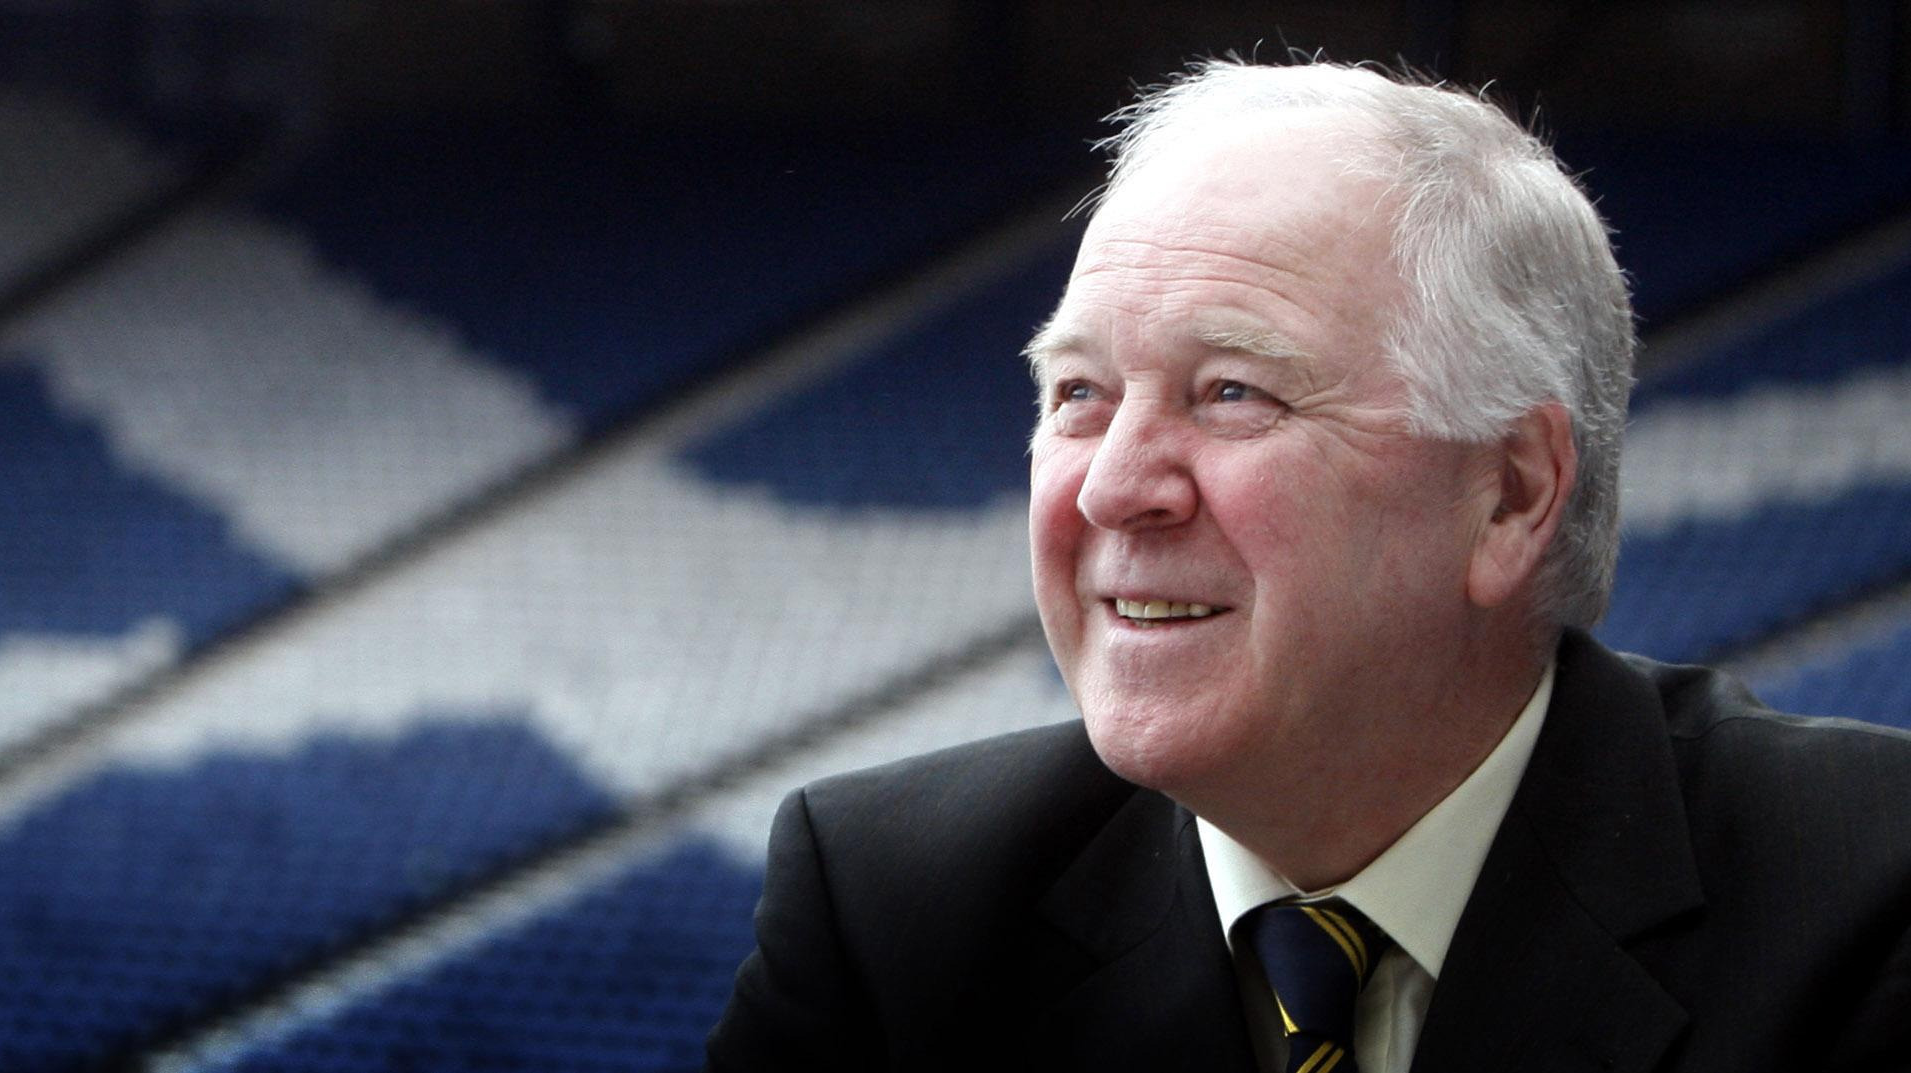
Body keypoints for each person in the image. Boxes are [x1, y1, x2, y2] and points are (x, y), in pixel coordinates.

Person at [705, 60, 1911, 1072]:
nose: (1113, 486)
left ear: (1511, 493)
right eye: (1077, 393)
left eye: (1233, 391)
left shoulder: (1866, 901)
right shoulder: (892, 910)